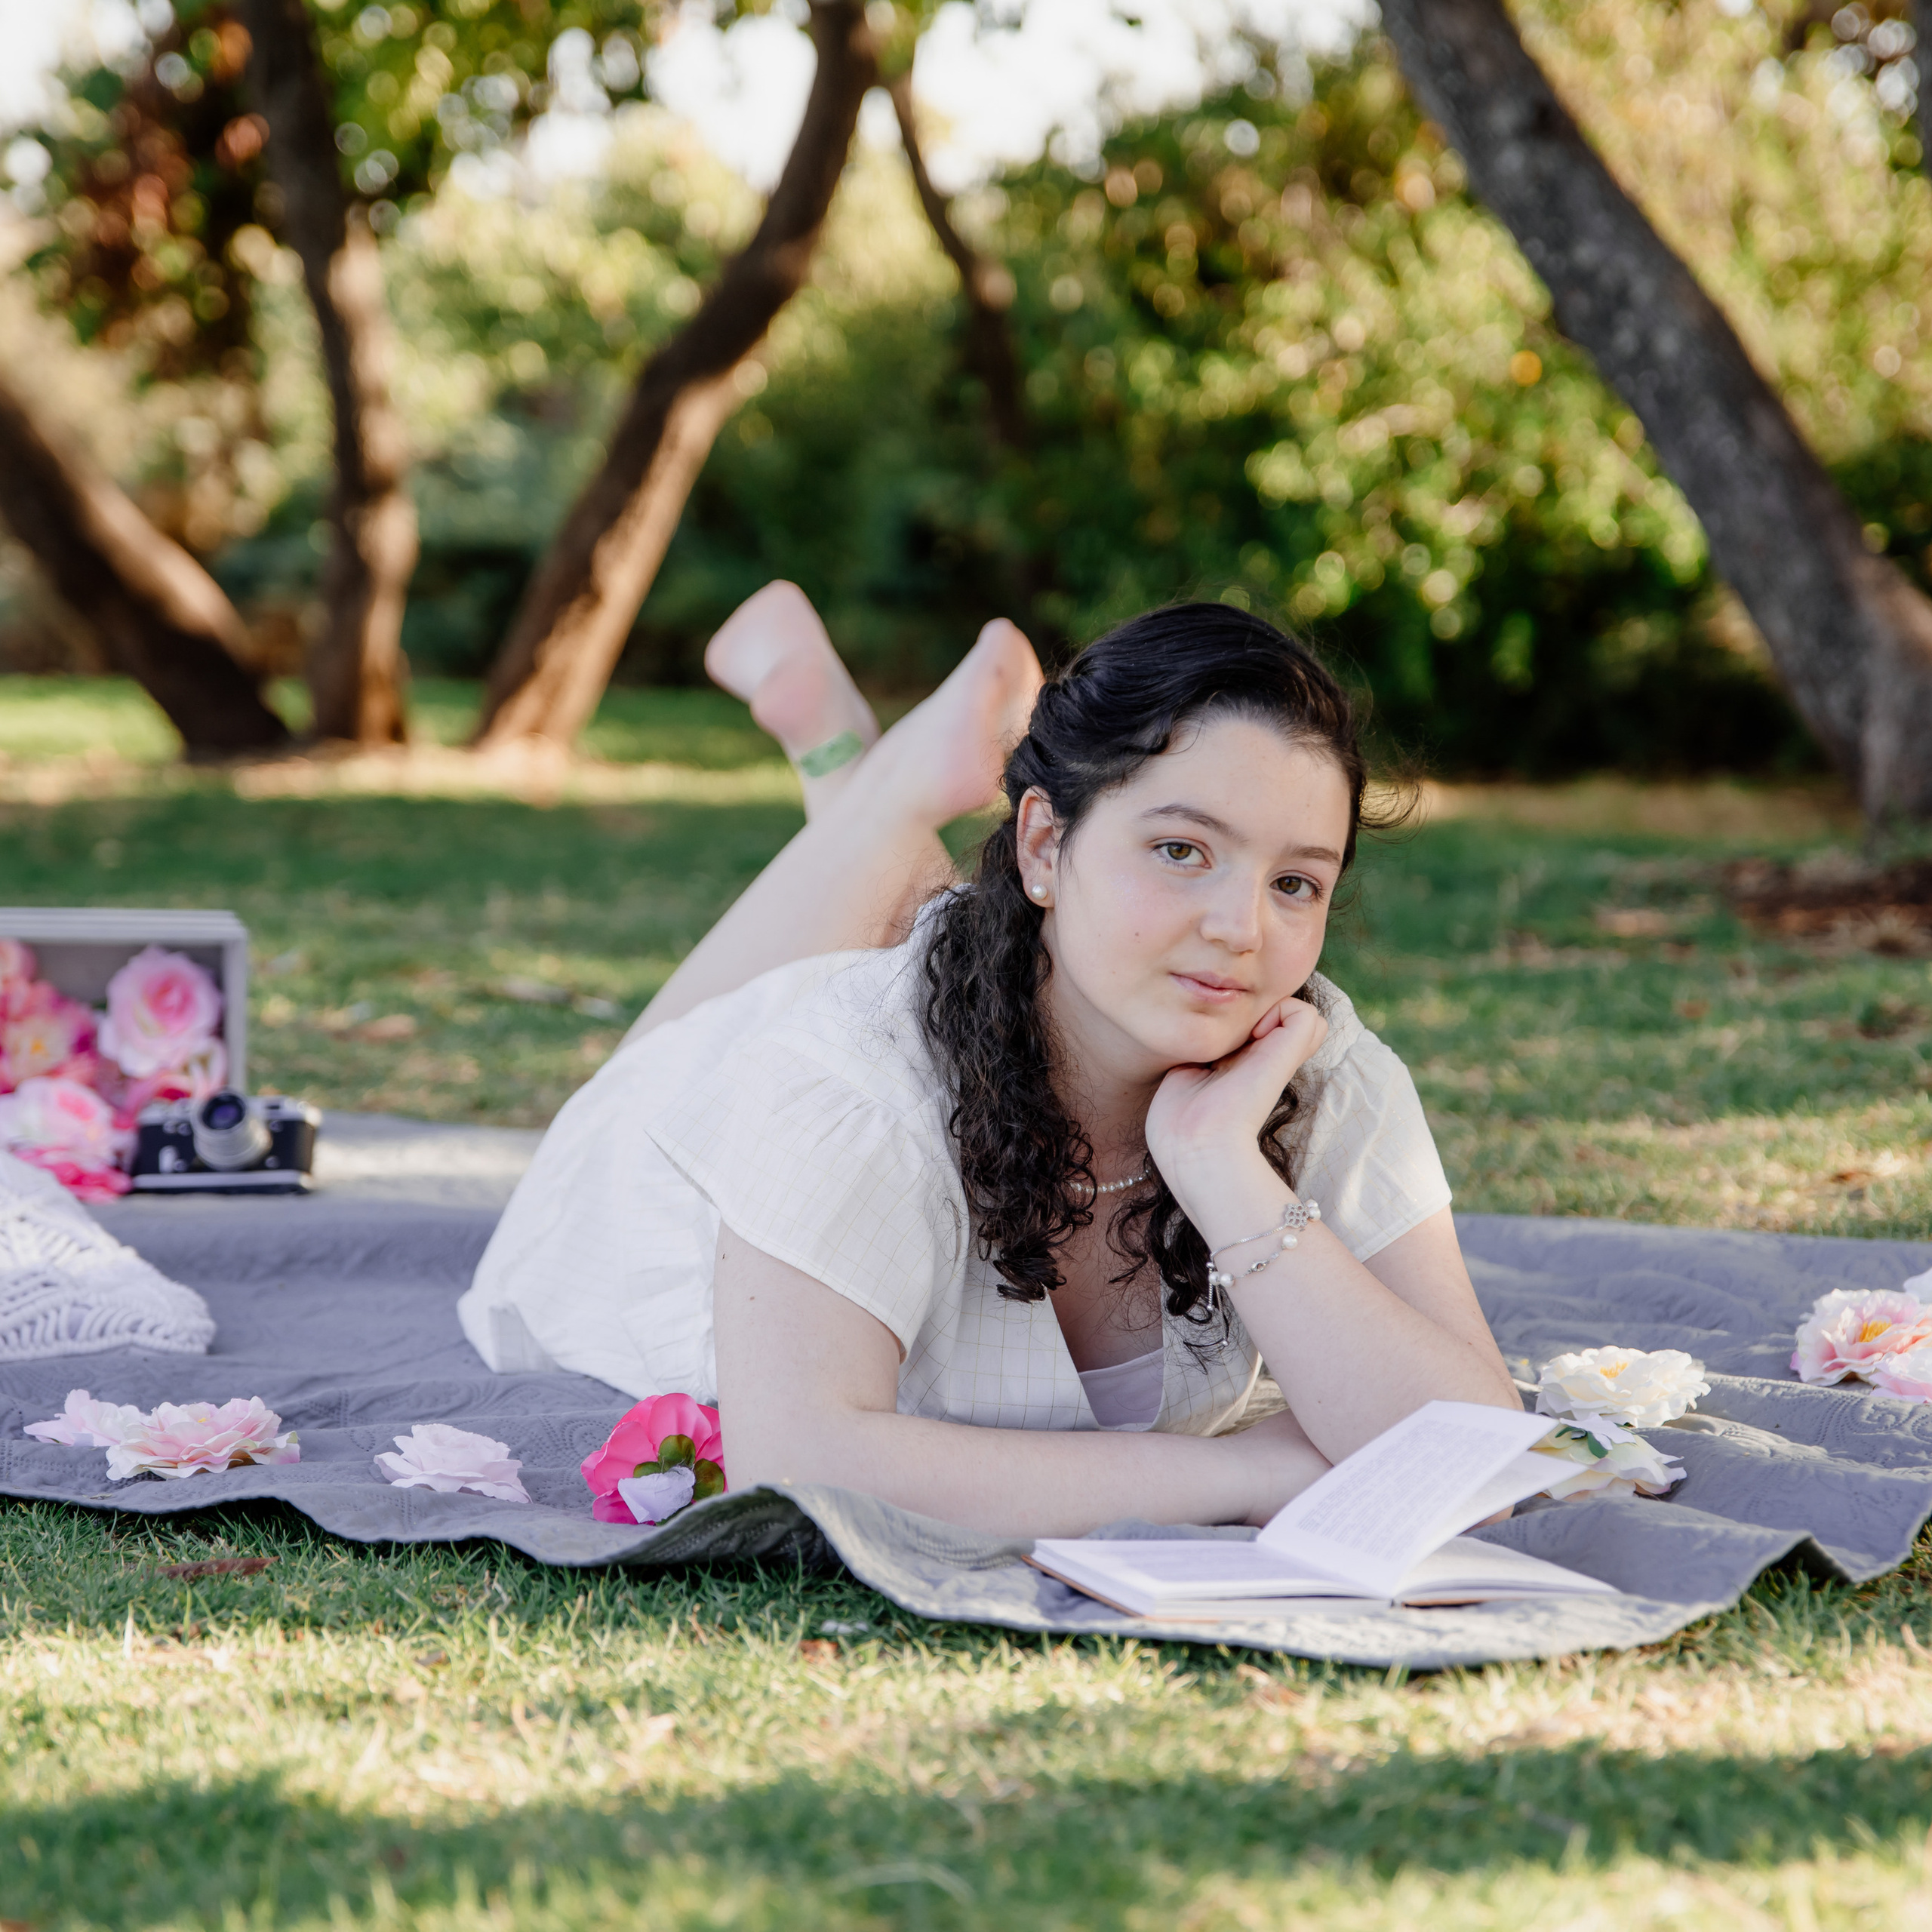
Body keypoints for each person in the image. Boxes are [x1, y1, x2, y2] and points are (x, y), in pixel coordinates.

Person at [457, 583, 1520, 1536]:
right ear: (1047, 844)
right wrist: (1235, 1474)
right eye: (1181, 851)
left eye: (1296, 882)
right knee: (731, 1039)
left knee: (960, 942)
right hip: (663, 1172)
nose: (1243, 931)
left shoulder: (1319, 1066)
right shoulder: (845, 1084)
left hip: (994, 979)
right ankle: (870, 784)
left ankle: (860, 775)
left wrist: (1221, 1168)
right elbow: (801, 1465)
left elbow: (1476, 1451)